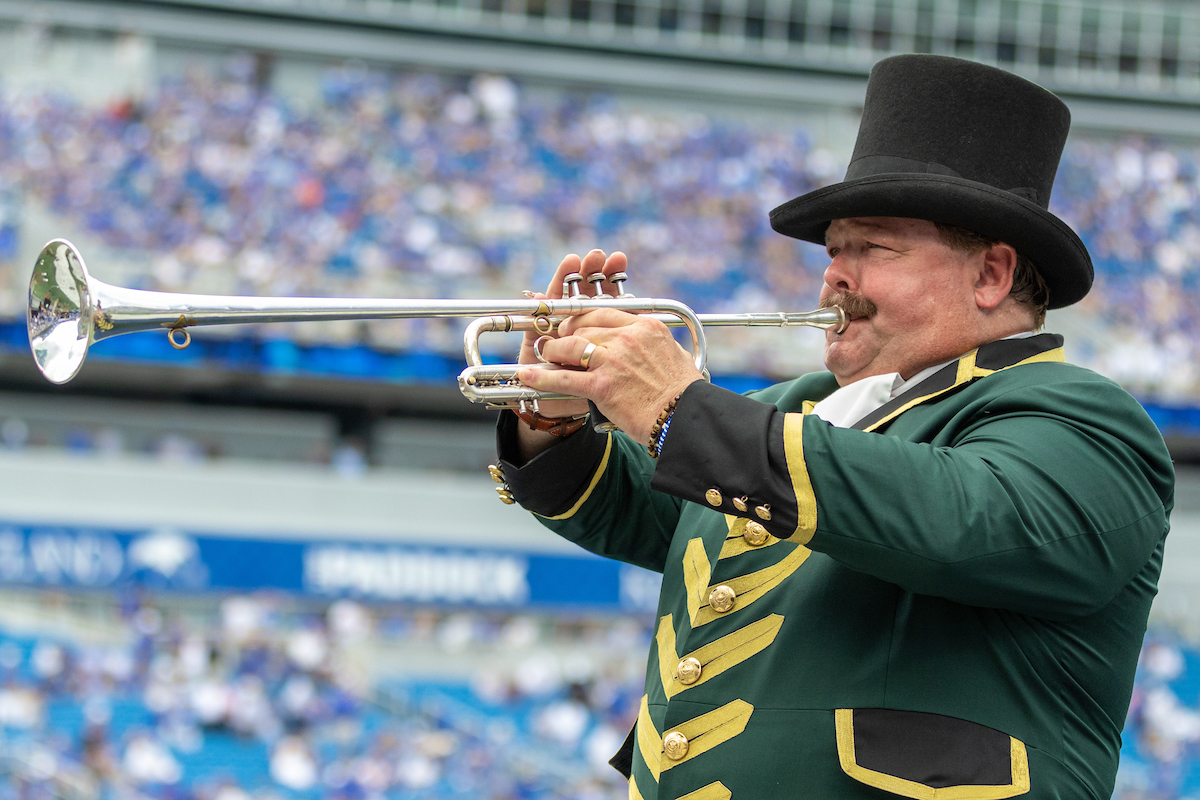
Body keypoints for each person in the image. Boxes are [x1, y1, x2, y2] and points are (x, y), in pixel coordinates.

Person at [490, 55, 1175, 800]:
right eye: (833, 250)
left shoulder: (1082, 416)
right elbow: (642, 503)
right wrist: (551, 411)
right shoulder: (801, 407)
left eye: (872, 248)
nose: (834, 278)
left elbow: (961, 520)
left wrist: (683, 411)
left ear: (991, 276)